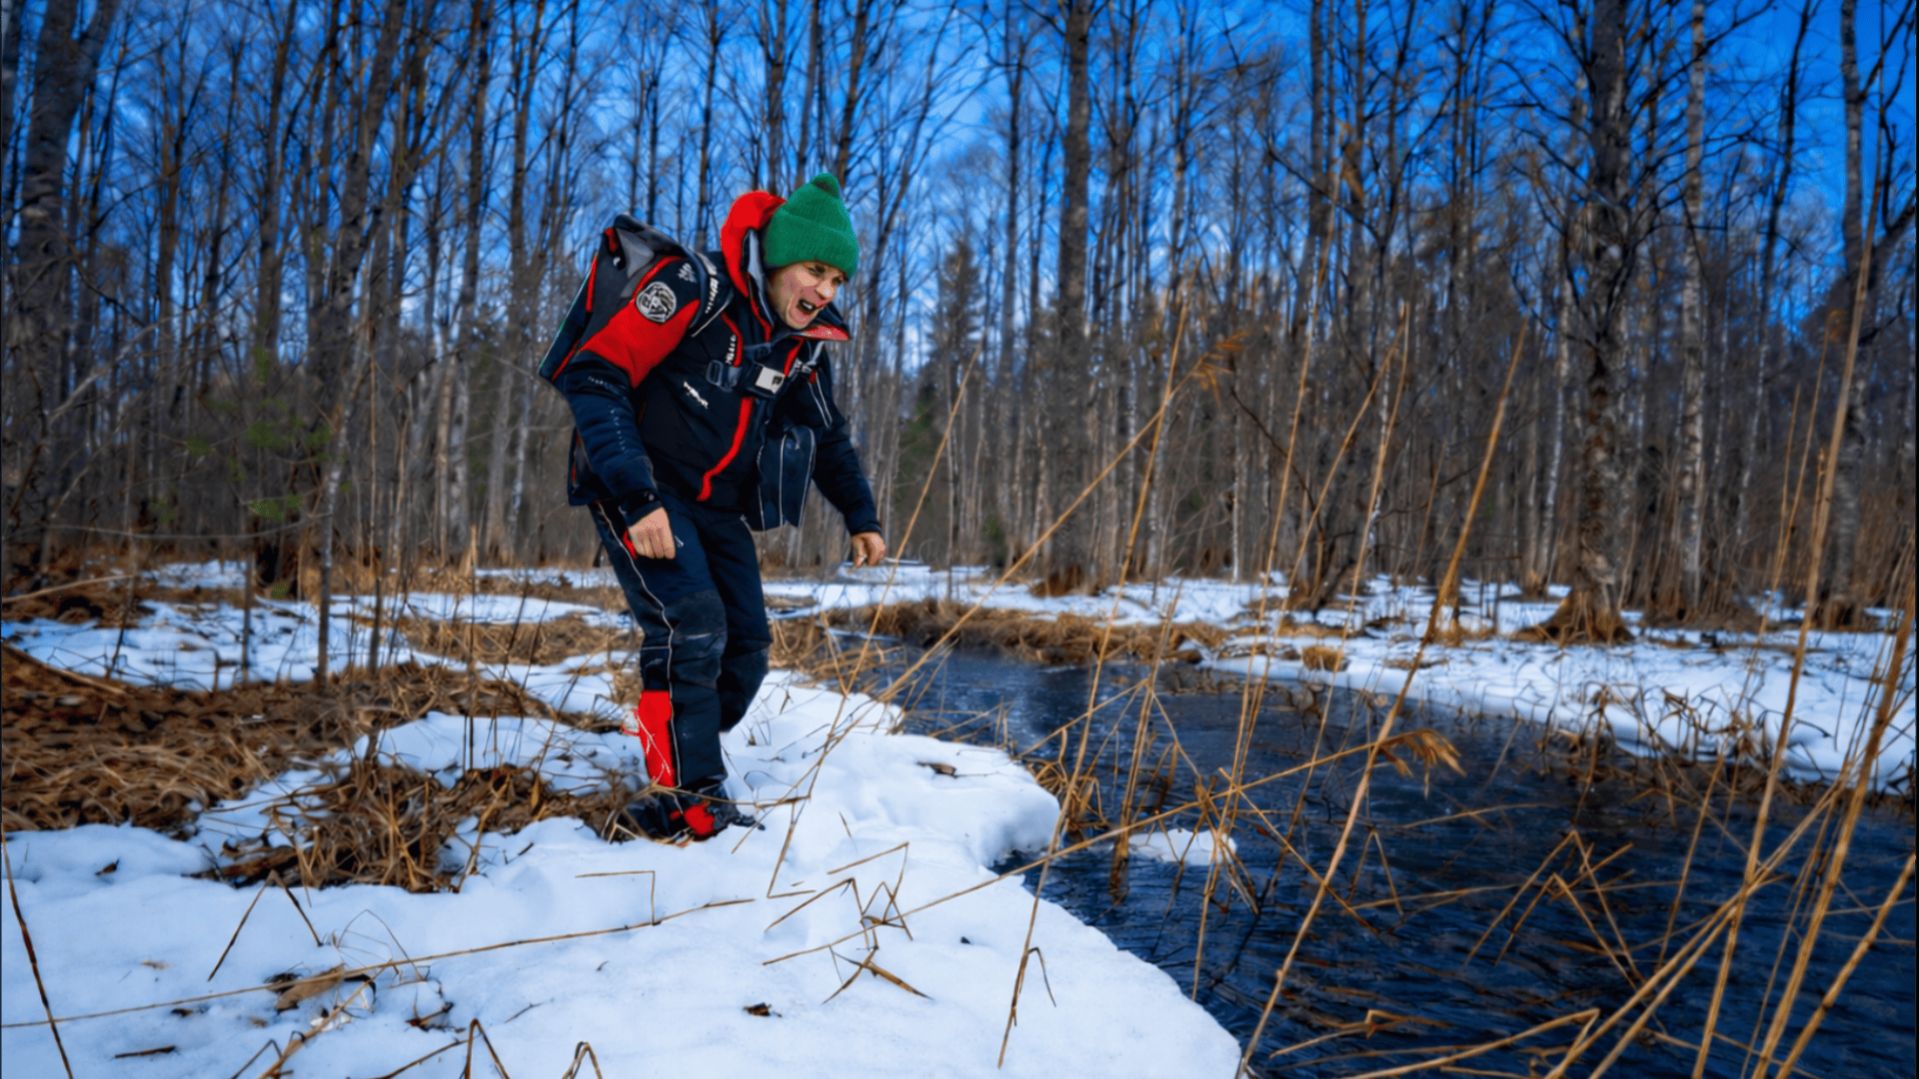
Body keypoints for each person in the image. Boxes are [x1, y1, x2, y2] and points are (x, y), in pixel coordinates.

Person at [556, 174, 886, 841]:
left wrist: (862, 515)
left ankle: (668, 733)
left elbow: (825, 434)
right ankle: (688, 798)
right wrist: (637, 497)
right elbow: (594, 373)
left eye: (837, 281)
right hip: (642, 489)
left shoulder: (802, 345)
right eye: (815, 271)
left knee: (748, 648)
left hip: (716, 507)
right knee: (692, 625)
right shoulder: (691, 287)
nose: (824, 291)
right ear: (778, 258)